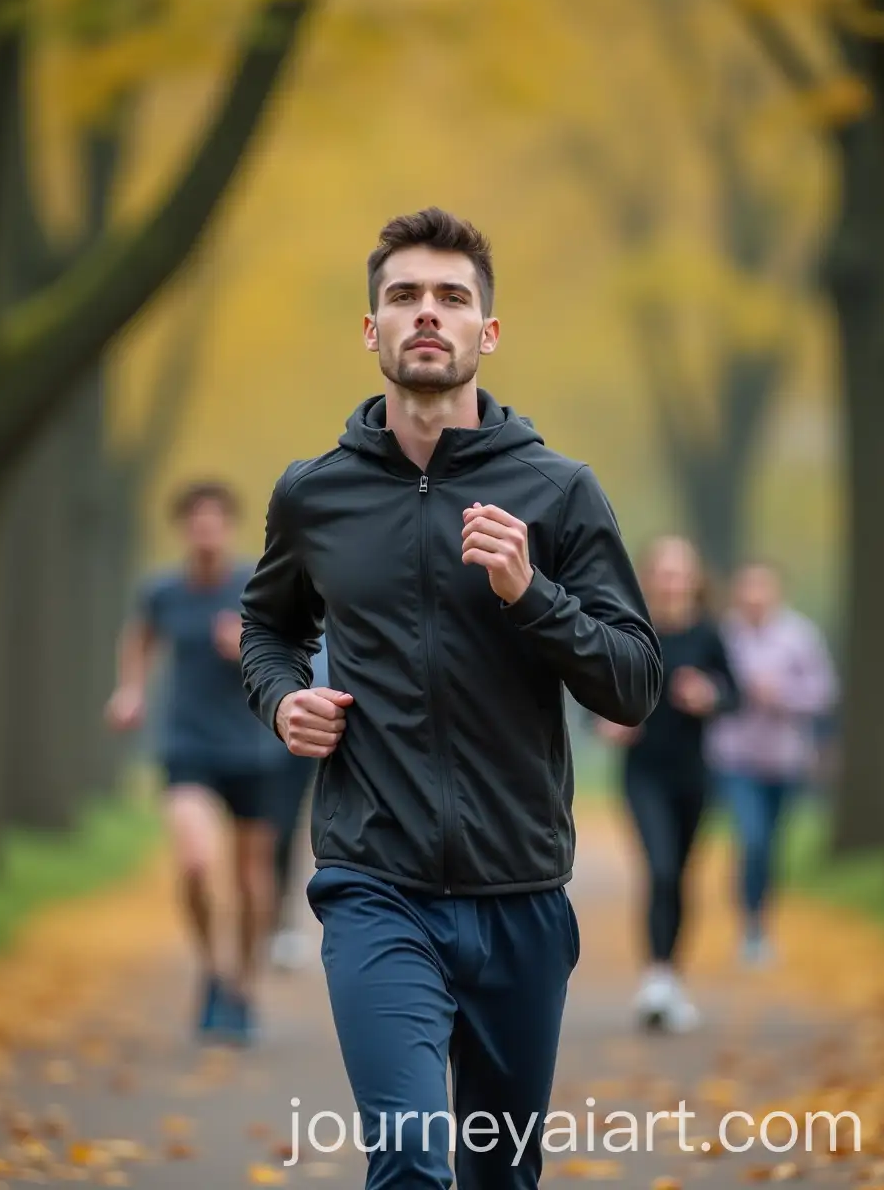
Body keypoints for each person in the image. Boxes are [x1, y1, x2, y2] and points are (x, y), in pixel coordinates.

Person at [239, 207, 663, 1188]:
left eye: (451, 298)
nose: (427, 314)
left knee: (499, 1177)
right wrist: (280, 698)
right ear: (371, 328)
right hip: (373, 880)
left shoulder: (558, 493)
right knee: (412, 1158)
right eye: (404, 296)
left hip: (520, 891)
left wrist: (531, 591)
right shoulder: (314, 495)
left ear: (487, 331)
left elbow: (633, 681)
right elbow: (268, 627)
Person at [105, 480, 280, 1042]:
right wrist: (129, 690)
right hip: (188, 746)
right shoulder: (162, 590)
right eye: (195, 520)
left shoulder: (256, 583)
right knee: (197, 863)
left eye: (215, 519)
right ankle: (212, 970)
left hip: (253, 746)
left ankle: (244, 987)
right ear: (183, 527)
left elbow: (293, 647)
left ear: (229, 526)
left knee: (252, 880)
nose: (205, 529)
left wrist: (247, 646)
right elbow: (139, 639)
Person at [596, 536, 739, 1033]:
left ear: (696, 581)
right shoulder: (631, 628)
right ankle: (655, 981)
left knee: (678, 876)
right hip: (644, 773)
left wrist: (710, 696)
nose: (673, 582)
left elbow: (732, 694)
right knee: (658, 869)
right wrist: (607, 723)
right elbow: (595, 685)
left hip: (693, 775)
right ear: (649, 578)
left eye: (682, 573)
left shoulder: (709, 635)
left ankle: (671, 978)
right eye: (665, 573)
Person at [706, 559, 838, 964]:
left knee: (770, 847)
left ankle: (759, 917)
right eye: (747, 589)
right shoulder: (723, 637)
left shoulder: (799, 636)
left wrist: (781, 695)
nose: (754, 597)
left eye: (762, 588)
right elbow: (706, 684)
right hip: (734, 757)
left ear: (777, 592)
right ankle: (751, 927)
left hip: (784, 760)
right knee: (753, 837)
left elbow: (825, 692)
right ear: (737, 594)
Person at [267, 634, 329, 971]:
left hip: (356, 732)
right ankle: (280, 921)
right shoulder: (291, 593)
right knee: (283, 826)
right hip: (290, 730)